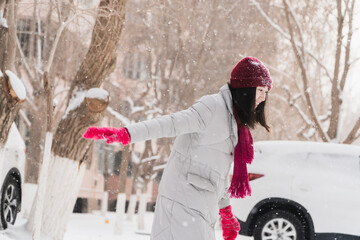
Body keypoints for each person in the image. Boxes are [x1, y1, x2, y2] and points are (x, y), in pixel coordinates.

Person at [83, 56, 272, 240]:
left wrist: (226, 211)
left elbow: (217, 174)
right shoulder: (212, 107)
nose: (263, 98)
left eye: (266, 91)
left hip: (202, 208)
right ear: (245, 88)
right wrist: (127, 134)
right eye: (260, 90)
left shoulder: (234, 124)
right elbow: (171, 123)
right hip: (182, 202)